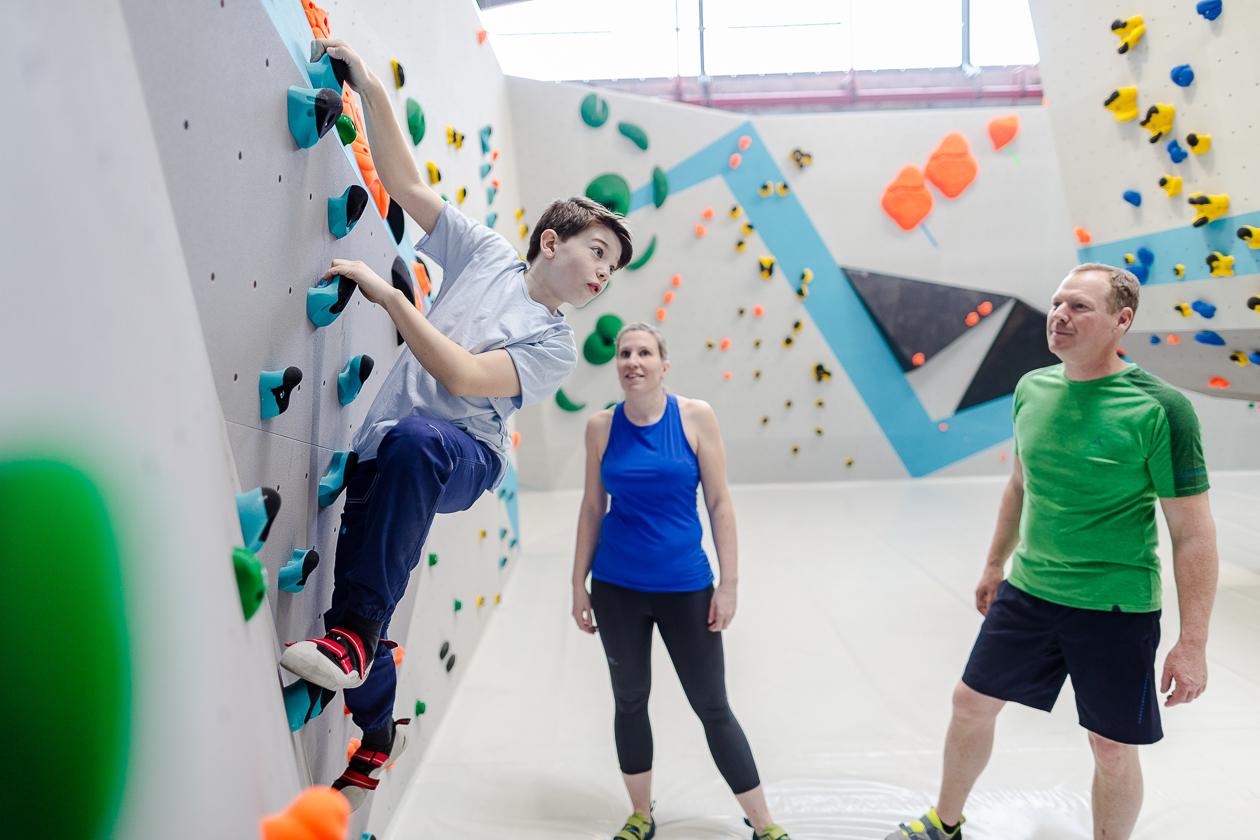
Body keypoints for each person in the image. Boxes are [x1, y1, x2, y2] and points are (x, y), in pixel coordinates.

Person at [279, 38, 634, 810]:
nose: (604, 274)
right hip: (393, 444)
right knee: (368, 588)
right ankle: (377, 733)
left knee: (400, 489)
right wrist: (369, 85)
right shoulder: (490, 256)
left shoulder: (557, 342)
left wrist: (392, 298)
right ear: (553, 240)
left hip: (460, 454)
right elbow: (404, 180)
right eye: (598, 252)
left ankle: (353, 642)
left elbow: (465, 377)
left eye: (613, 267)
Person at [887, 263, 1218, 840]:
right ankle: (944, 824)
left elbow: (1194, 533)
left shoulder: (1161, 409)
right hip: (1031, 591)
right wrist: (995, 564)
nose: (1060, 315)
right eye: (1058, 303)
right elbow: (1020, 485)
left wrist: (1192, 643)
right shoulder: (1032, 388)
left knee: (1111, 747)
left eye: (1080, 307)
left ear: (1122, 321)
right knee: (970, 703)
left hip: (1115, 606)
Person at [571, 324, 792, 840]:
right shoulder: (599, 427)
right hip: (616, 586)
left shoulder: (695, 417)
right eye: (625, 353)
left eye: (644, 352)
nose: (632, 361)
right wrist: (578, 584)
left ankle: (764, 824)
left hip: (686, 587)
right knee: (629, 700)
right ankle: (641, 815)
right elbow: (591, 507)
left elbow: (719, 503)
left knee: (712, 705)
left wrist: (729, 583)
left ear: (663, 365)